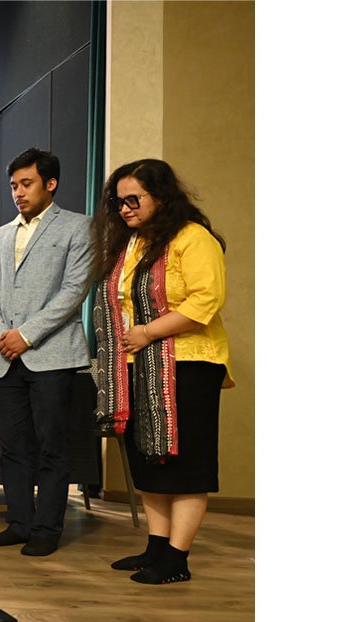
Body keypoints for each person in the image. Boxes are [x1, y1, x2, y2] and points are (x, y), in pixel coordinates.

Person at [91, 159, 233, 584]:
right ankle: (155, 547)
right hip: (137, 365)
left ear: (162, 196)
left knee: (186, 465)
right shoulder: (132, 243)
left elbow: (206, 300)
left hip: (189, 364)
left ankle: (177, 558)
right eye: (118, 202)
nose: (125, 209)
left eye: (134, 199)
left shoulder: (193, 237)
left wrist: (149, 332)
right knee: (148, 460)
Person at [0, 148, 94, 557]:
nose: (18, 193)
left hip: (52, 355)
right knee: (12, 446)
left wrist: (25, 335)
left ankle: (47, 527)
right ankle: (19, 522)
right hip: (4, 359)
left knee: (52, 447)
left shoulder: (79, 228)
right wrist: (0, 336)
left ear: (51, 183)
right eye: (14, 185)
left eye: (26, 184)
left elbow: (73, 292)